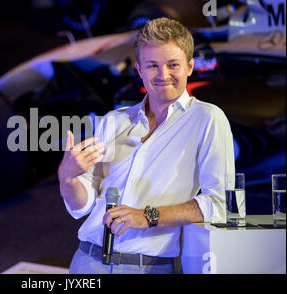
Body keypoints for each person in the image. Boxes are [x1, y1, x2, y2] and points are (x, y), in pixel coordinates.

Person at [57, 17, 235, 274]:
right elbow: (81, 207)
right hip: (87, 260)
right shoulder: (113, 121)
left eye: (173, 64)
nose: (163, 75)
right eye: (152, 65)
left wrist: (148, 216)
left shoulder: (207, 119)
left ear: (190, 66)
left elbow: (219, 204)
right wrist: (68, 177)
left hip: (147, 267)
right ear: (139, 70)